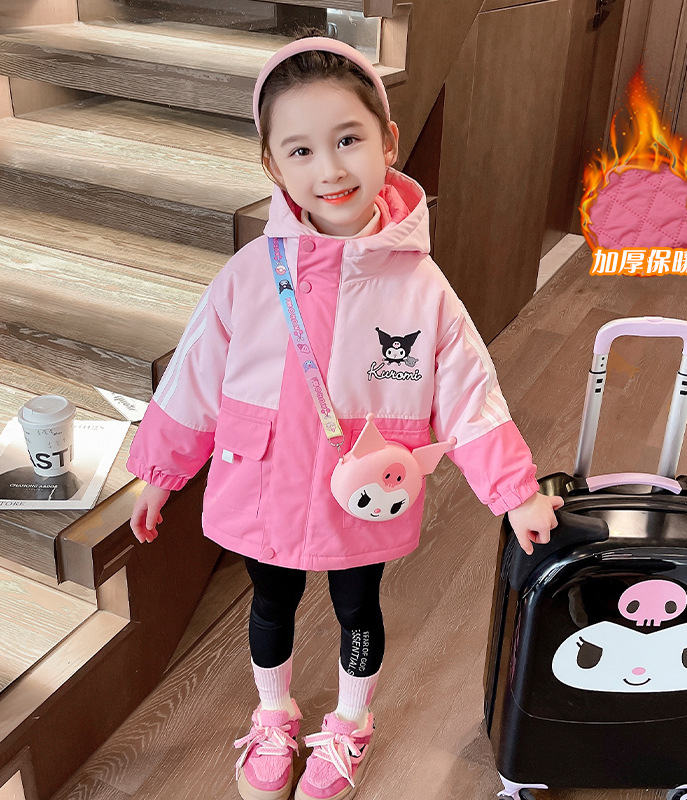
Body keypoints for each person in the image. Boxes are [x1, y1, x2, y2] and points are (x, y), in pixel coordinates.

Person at [127, 35, 563, 800]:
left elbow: (470, 391)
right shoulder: (247, 277)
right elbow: (193, 379)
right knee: (271, 601)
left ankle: (351, 722)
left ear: (387, 142)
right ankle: (274, 713)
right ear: (272, 165)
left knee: (358, 604)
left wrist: (515, 491)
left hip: (364, 489)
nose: (328, 169)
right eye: (300, 150)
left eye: (348, 140)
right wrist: (159, 472)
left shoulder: (421, 286)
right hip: (265, 482)